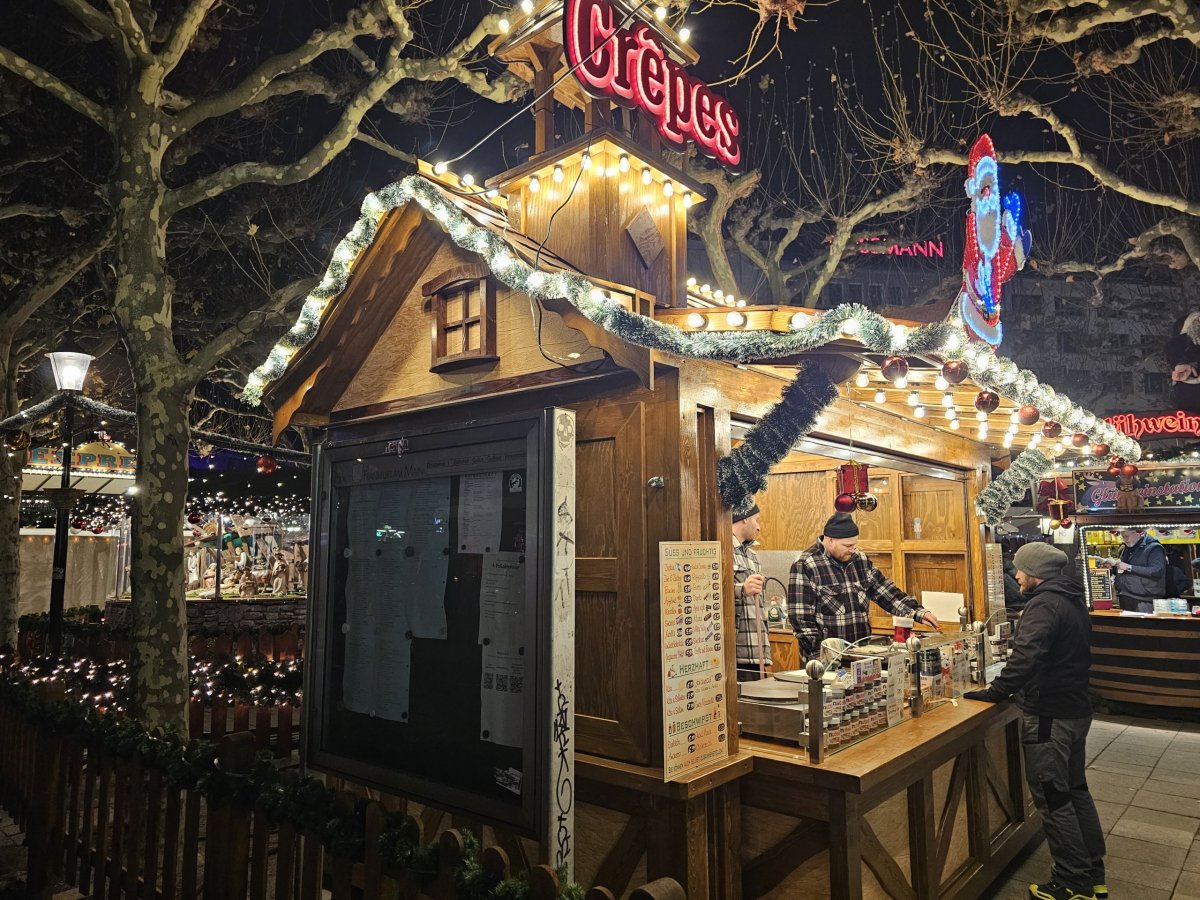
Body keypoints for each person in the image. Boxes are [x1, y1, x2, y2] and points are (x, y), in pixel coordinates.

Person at [964, 542, 1104, 900]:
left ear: (1036, 572)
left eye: (1021, 569)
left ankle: (1074, 883)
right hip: (1076, 709)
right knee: (1075, 791)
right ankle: (1092, 871)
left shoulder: (1044, 603)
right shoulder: (1071, 597)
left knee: (1053, 798)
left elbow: (1027, 658)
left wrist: (994, 692)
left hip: (1049, 715)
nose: (1016, 574)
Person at [788, 512, 939, 659]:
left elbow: (885, 591)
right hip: (826, 659)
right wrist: (819, 655)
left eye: (854, 545)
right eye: (847, 545)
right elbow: (800, 619)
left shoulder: (859, 559)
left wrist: (918, 613)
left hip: (861, 653)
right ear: (830, 540)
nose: (852, 550)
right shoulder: (805, 564)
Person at [732, 502, 771, 680]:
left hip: (757, 652)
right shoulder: (722, 549)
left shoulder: (753, 556)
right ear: (745, 519)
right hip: (735, 652)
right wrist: (741, 590)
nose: (758, 526)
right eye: (756, 520)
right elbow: (707, 593)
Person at [1098, 528, 1166, 612]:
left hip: (1144, 600)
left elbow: (1157, 570)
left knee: (1143, 625)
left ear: (1138, 533)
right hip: (1125, 595)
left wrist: (1129, 567)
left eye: (1126, 536)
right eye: (1123, 537)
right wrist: (1113, 567)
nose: (1125, 539)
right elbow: (1123, 570)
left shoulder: (1154, 548)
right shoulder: (1125, 549)